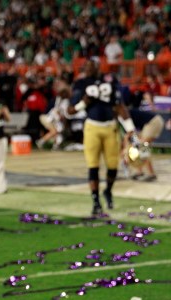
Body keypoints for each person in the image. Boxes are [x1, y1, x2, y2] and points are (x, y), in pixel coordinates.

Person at [68, 59, 135, 215]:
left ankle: (108, 191)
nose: (89, 69)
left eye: (92, 66)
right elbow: (70, 111)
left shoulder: (110, 80)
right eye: (87, 67)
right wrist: (82, 104)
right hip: (92, 127)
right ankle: (96, 201)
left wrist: (130, 128)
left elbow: (120, 106)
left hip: (110, 127)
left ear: (98, 67)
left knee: (113, 166)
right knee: (93, 166)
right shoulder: (81, 83)